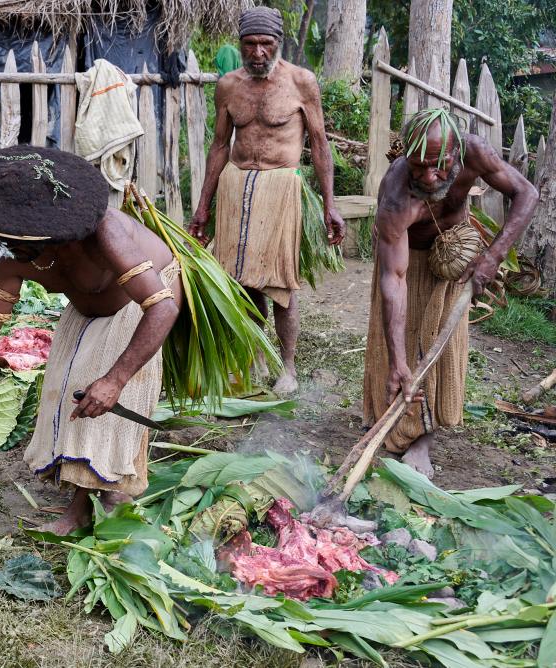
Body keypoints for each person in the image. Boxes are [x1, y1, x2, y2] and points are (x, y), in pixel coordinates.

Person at [0, 147, 183, 535]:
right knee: (67, 393)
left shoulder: (107, 233)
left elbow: (162, 309)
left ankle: (112, 505)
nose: (0, 244)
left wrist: (116, 380)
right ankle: (82, 502)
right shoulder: (11, 256)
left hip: (142, 305)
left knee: (104, 396)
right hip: (86, 307)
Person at [364, 108, 538, 478]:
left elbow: (526, 192)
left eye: (440, 164)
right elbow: (394, 278)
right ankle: (390, 417)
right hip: (405, 256)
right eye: (418, 166)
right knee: (401, 348)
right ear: (405, 155)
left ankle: (423, 437)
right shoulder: (395, 201)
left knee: (437, 343)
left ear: (458, 151)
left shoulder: (475, 151)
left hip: (451, 253)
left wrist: (493, 257)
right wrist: (398, 362)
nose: (429, 177)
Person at [188, 6, 345, 395]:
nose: (258, 52)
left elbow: (321, 146)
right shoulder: (228, 86)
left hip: (280, 187)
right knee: (243, 282)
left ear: (279, 43)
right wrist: (203, 206)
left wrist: (330, 204)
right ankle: (255, 357)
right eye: (250, 44)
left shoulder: (301, 82)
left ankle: (287, 366)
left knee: (281, 282)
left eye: (266, 44)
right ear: (240, 45)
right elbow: (220, 146)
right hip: (236, 186)